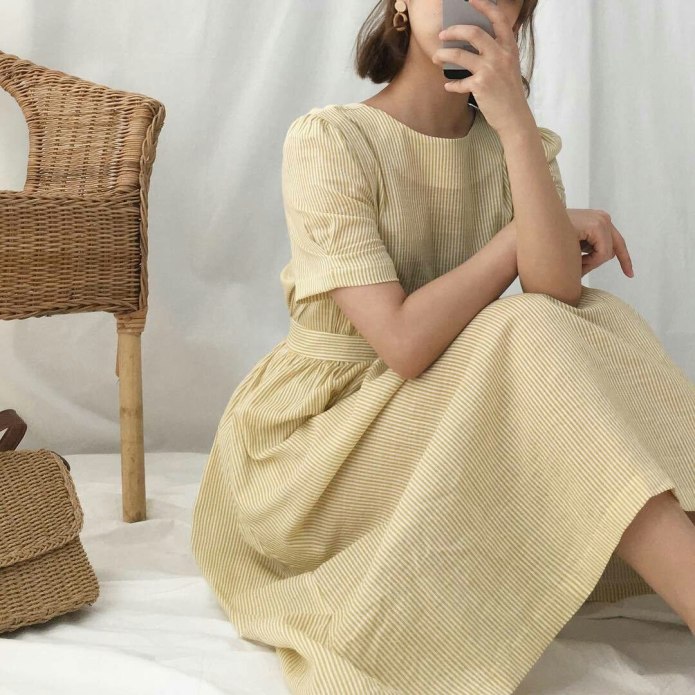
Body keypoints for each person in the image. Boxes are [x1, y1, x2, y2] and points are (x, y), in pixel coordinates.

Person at [190, 0, 695, 692]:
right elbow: (400, 341)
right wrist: (515, 239)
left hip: (435, 413)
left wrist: (514, 123)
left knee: (592, 317)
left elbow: (555, 291)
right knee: (528, 328)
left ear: (518, 20)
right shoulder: (330, 140)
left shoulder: (517, 144)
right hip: (319, 450)